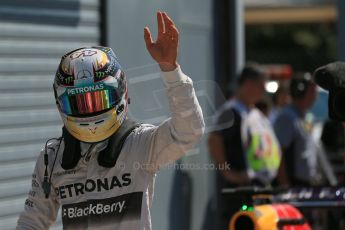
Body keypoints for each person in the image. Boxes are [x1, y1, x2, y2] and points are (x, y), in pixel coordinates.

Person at [16, 12, 204, 230]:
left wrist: (171, 70)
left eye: (98, 98)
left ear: (121, 91)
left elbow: (188, 132)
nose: (90, 110)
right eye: (79, 103)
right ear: (61, 102)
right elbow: (31, 222)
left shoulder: (140, 143)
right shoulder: (52, 157)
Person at [208, 64, 281, 229]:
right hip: (241, 192)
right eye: (261, 85)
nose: (264, 90)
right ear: (248, 83)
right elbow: (214, 139)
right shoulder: (231, 111)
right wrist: (229, 173)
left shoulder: (256, 114)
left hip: (259, 189)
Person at [274, 73, 318, 186]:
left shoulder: (307, 117)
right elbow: (279, 152)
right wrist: (284, 183)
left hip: (307, 182)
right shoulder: (287, 117)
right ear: (300, 93)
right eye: (312, 92)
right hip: (293, 183)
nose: (315, 96)